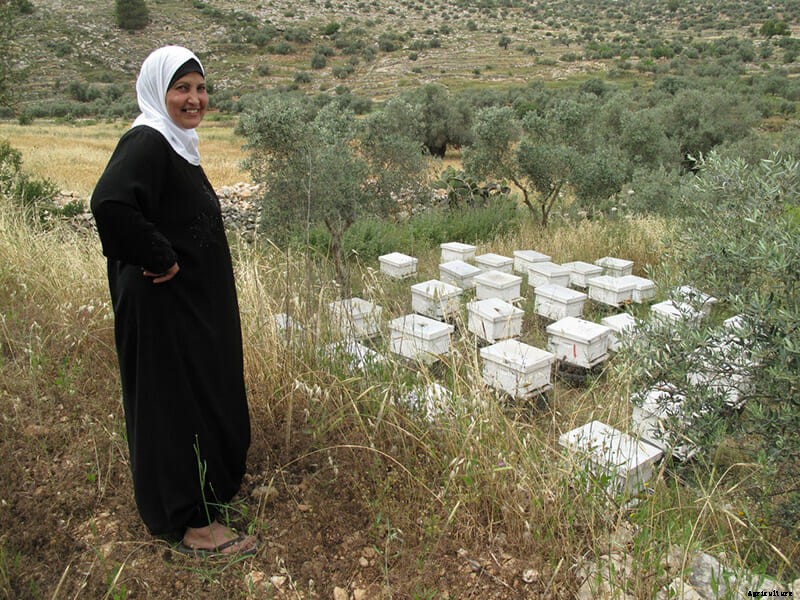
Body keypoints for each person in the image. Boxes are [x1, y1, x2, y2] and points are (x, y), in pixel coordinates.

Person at [91, 45, 257, 557]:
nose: (194, 99)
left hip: (188, 307)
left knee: (202, 392)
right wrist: (160, 257)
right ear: (157, 91)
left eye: (200, 88)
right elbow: (109, 204)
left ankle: (207, 491)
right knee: (175, 404)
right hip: (165, 310)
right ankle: (192, 524)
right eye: (181, 88)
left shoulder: (176, 141)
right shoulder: (147, 140)